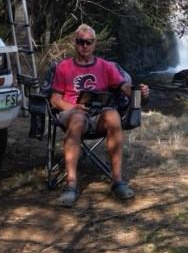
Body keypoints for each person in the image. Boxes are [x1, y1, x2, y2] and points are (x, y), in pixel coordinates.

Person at [48, 24, 149, 207]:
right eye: (80, 42)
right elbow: (55, 99)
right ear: (75, 43)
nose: (84, 46)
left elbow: (124, 88)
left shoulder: (105, 66)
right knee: (77, 118)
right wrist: (73, 106)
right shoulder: (64, 67)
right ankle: (71, 185)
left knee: (113, 116)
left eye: (89, 42)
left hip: (98, 113)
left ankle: (117, 181)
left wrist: (139, 93)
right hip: (71, 113)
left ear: (94, 43)